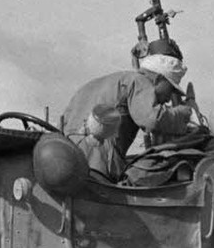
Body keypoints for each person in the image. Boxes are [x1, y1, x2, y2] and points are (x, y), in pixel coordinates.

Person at [60, 48, 195, 183]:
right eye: (170, 89)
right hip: (96, 163)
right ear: (159, 78)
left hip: (65, 158)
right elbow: (152, 119)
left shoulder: (97, 84)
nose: (169, 99)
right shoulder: (139, 81)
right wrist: (181, 114)